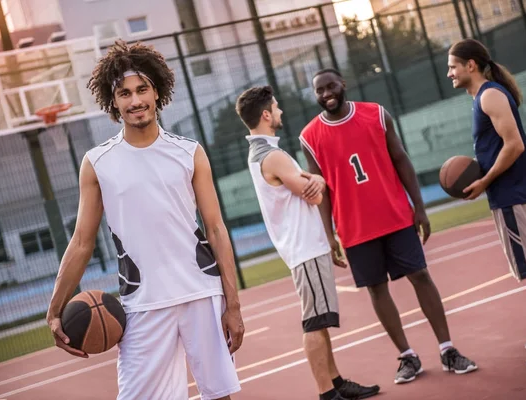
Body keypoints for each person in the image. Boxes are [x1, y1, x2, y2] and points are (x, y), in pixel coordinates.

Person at [46, 40, 243, 400]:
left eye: (142, 89)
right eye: (124, 93)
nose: (135, 100)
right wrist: (55, 308)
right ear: (113, 101)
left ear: (157, 92)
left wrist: (233, 305)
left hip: (200, 291)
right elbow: (81, 241)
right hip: (142, 304)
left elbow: (215, 228)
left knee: (219, 395)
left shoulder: (189, 153)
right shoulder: (97, 162)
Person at [299, 69, 477, 384]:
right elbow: (320, 188)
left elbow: (401, 159)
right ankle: (407, 356)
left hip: (395, 215)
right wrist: (329, 233)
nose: (326, 93)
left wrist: (419, 207)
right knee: (376, 289)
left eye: (330, 86)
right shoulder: (309, 136)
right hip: (354, 227)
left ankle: (448, 348)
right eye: (319, 90)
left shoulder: (376, 114)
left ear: (343, 84)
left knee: (420, 276)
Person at [235, 86, 380, 400]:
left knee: (321, 319)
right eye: (276, 107)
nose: (281, 111)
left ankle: (336, 383)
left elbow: (310, 183)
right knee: (314, 321)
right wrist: (317, 180)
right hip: (304, 249)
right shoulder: (270, 156)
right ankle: (326, 393)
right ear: (265, 115)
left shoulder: (270, 152)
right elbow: (313, 192)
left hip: (308, 247)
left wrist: (313, 179)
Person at [447, 38, 526, 368]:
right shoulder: (482, 97)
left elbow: (513, 145)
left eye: (453, 66)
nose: (449, 73)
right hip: (506, 194)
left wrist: (485, 180)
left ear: (470, 65)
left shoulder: (489, 95)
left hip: (511, 192)